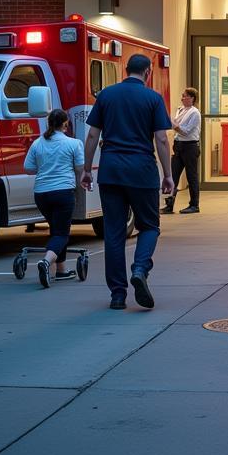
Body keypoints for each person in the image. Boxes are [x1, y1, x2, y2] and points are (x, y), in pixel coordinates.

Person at [81, 54, 174, 311]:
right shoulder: (153, 98)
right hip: (142, 171)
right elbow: (162, 139)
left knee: (113, 233)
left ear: (126, 69)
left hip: (111, 171)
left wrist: (87, 170)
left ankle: (118, 295)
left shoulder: (107, 96)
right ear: (148, 72)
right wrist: (168, 174)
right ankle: (140, 268)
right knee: (149, 226)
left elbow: (92, 135)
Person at [23, 108, 84, 287]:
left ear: (49, 123)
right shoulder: (73, 143)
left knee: (56, 230)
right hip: (63, 193)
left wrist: (45, 167)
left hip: (41, 194)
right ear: (66, 124)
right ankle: (46, 262)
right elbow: (80, 168)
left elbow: (28, 168)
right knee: (62, 234)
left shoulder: (37, 143)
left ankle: (61, 270)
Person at [165, 87, 201, 214]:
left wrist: (175, 126)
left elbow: (186, 131)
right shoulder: (180, 110)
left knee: (191, 176)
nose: (182, 98)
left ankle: (194, 205)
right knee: (173, 175)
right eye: (182, 95)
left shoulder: (195, 113)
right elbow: (176, 125)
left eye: (185, 96)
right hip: (179, 145)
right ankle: (169, 204)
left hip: (190, 146)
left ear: (192, 98)